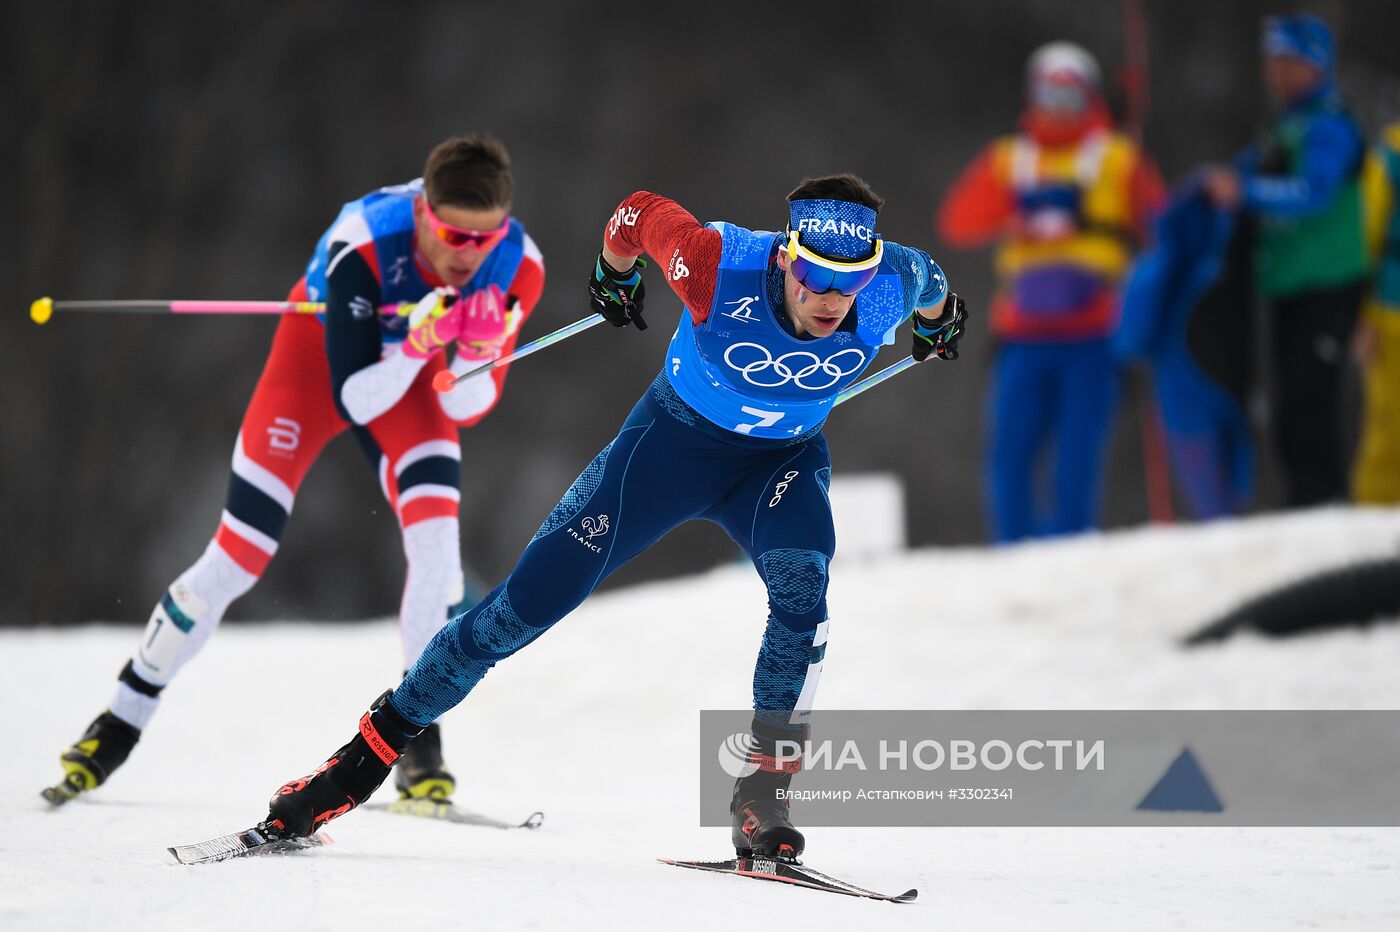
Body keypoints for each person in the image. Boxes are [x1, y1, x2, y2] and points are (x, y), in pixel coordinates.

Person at [255, 174, 965, 859]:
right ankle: (359, 761)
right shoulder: (716, 265)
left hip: (777, 466)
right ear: (785, 256)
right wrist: (613, 271)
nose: (833, 299)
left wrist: (938, 323)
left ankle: (763, 795)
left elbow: (935, 291)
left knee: (804, 596)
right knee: (518, 612)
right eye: (815, 277)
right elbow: (638, 211)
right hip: (668, 450)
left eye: (852, 282)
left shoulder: (894, 282)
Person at [47, 135, 545, 806]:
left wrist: (477, 348)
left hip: (419, 377)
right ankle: (119, 719)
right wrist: (422, 343)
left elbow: (467, 404)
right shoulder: (363, 245)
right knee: (239, 556)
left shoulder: (518, 266)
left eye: (485, 240)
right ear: (425, 214)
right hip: (319, 366)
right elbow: (356, 396)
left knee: (437, 555)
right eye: (455, 236)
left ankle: (418, 745)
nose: (469, 255)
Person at [937, 41, 1164, 543]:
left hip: (1095, 332)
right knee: (1009, 454)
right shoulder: (1010, 158)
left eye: (1070, 95)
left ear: (1089, 97)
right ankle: (1016, 554)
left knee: (1077, 458)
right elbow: (957, 221)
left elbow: (1160, 230)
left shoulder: (1119, 156)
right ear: (1032, 94)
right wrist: (1014, 211)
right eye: (1049, 93)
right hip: (1023, 332)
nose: (1058, 107)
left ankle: (1071, 550)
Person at [1200, 14, 1368, 507]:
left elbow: (1314, 194)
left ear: (1315, 66)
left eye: (1289, 62)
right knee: (1286, 409)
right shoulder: (1285, 126)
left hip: (1329, 284)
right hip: (1290, 285)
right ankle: (1306, 509)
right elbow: (1240, 174)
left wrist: (1244, 192)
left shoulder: (1330, 124)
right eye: (1272, 61)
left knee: (1309, 402)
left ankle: (1327, 507)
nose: (1277, 72)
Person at [1350, 120, 1400, 503]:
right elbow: (1364, 232)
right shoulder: (1392, 150)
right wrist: (1360, 313)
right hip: (1391, 308)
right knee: (1389, 423)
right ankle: (1373, 531)